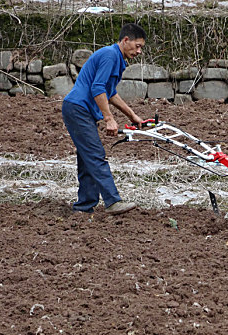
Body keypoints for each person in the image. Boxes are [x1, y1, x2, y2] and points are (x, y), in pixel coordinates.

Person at [62, 23, 146, 215]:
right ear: (126, 41)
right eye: (138, 46)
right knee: (96, 155)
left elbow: (110, 93)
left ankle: (84, 206)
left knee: (87, 159)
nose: (139, 51)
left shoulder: (117, 58)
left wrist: (132, 116)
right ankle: (112, 201)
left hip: (80, 110)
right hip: (78, 108)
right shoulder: (110, 55)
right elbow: (97, 88)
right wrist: (109, 119)